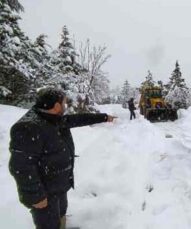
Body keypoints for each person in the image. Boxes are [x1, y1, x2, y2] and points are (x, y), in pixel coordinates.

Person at [8, 88, 116, 229]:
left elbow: (77, 119)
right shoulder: (29, 127)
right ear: (57, 106)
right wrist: (36, 197)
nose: (66, 106)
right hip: (44, 193)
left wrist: (103, 117)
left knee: (61, 215)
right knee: (49, 225)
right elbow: (21, 166)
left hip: (59, 184)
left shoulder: (51, 117)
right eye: (64, 103)